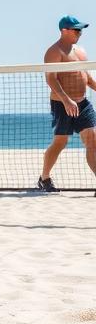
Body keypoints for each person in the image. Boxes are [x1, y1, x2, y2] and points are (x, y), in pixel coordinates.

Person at [37, 15, 96, 195]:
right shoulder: (54, 51)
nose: (80, 32)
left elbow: (87, 77)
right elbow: (51, 80)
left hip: (83, 103)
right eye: (76, 29)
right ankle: (44, 178)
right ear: (64, 30)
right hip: (61, 104)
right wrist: (66, 99)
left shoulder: (81, 51)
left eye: (81, 29)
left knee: (92, 140)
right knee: (60, 142)